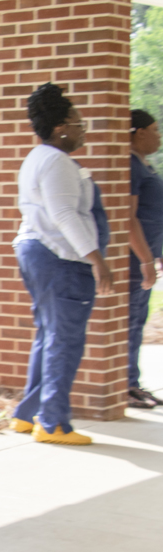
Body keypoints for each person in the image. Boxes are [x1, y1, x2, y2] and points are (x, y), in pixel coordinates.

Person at [6, 82, 115, 444]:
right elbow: (65, 214)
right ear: (60, 127)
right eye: (78, 123)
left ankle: (26, 414)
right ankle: (53, 423)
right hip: (60, 259)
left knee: (49, 335)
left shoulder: (37, 158)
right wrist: (96, 259)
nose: (83, 129)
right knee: (64, 340)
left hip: (39, 253)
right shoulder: (56, 161)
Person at [128, 109, 163, 408]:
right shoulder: (132, 166)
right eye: (155, 129)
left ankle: (133, 382)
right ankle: (126, 384)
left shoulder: (144, 165)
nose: (158, 134)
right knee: (130, 321)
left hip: (147, 257)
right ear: (138, 132)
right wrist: (145, 259)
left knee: (138, 320)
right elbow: (129, 219)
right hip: (133, 261)